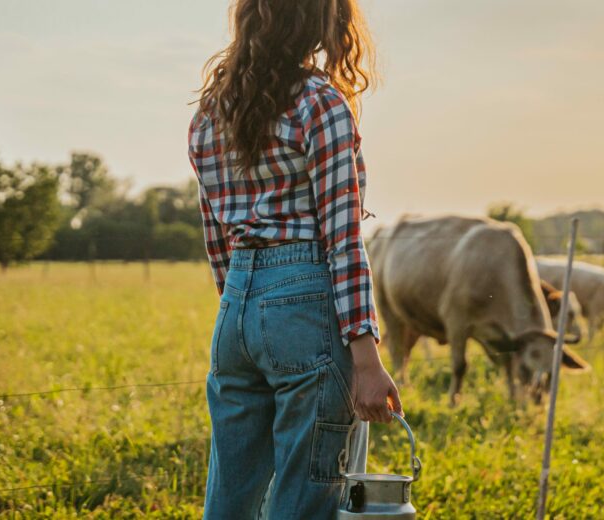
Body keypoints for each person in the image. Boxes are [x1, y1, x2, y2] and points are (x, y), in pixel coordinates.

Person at [187, 1, 402, 519]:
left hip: (235, 305)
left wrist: (244, 312)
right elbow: (342, 238)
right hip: (304, 298)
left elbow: (215, 234)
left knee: (229, 497)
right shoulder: (320, 103)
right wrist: (367, 359)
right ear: (318, 20)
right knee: (305, 498)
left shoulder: (209, 113)